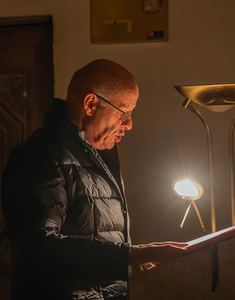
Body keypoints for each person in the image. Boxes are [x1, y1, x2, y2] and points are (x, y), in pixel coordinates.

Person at [1, 59, 187, 300]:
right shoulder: (41, 155)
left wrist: (130, 258)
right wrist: (129, 255)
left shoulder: (95, 153)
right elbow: (36, 249)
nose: (129, 124)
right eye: (124, 112)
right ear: (90, 104)